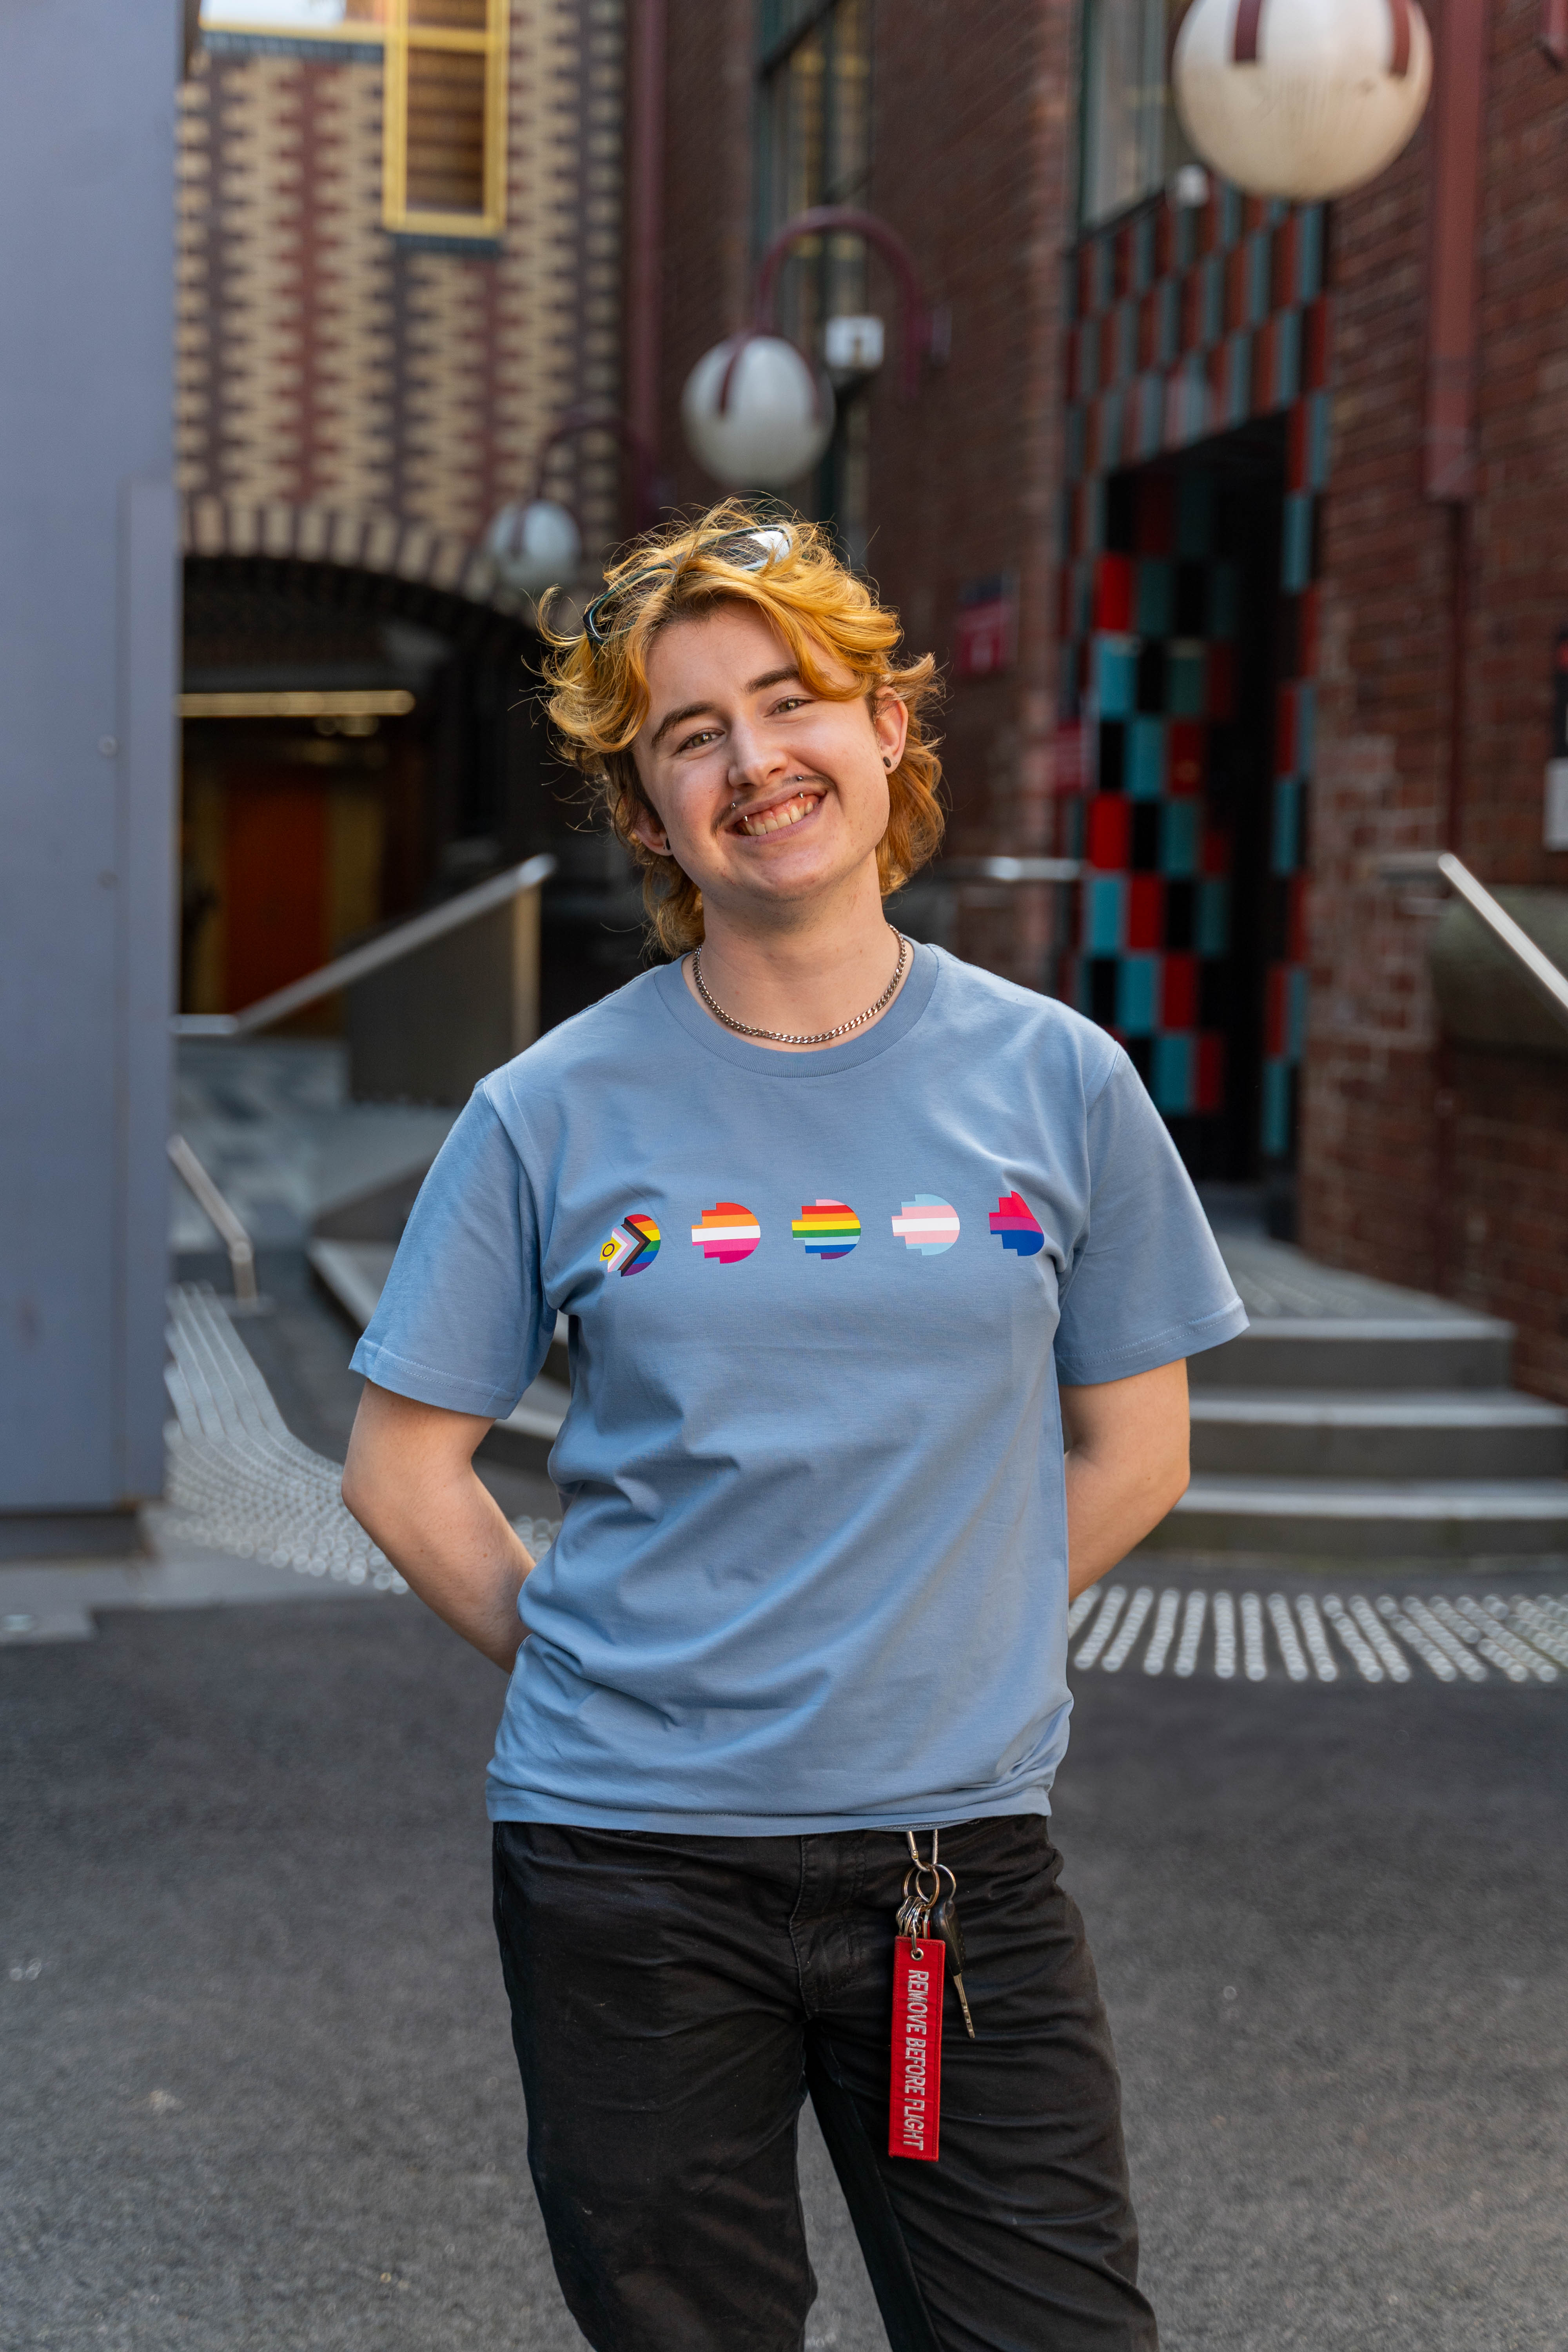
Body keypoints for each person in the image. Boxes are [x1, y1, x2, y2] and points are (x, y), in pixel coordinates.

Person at [341, 505, 1247, 2352]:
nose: (755, 760)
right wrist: (615, 1655)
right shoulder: (547, 1112)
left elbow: (1136, 1454)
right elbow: (401, 1467)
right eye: (692, 735)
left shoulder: (1060, 1081)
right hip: (629, 1872)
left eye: (789, 701)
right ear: (653, 809)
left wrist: (932, 1623)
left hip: (954, 1865)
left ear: (886, 730)